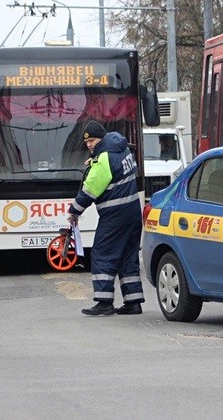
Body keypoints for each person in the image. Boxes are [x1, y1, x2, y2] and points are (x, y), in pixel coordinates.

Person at [68, 120, 144, 316]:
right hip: (133, 213)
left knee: (102, 254)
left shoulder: (104, 159)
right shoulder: (123, 149)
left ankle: (104, 302)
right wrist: (96, 160)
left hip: (114, 217)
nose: (89, 145)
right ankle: (133, 302)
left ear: (101, 138)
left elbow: (90, 189)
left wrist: (74, 211)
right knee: (128, 257)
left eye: (92, 141)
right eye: (87, 143)